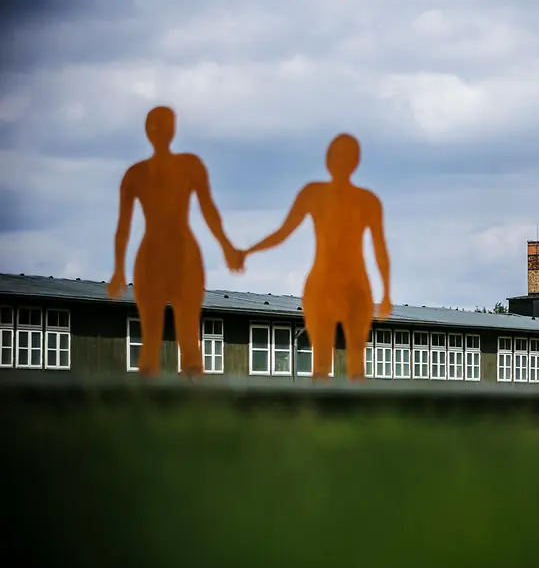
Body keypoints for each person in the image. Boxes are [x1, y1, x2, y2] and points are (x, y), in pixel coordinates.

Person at [107, 105, 244, 378]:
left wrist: (227, 246)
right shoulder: (136, 175)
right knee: (151, 337)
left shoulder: (188, 165)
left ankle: (190, 397)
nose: (162, 132)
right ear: (149, 132)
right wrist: (119, 269)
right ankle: (152, 398)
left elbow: (208, 210)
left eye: (166, 126)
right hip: (155, 256)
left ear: (173, 130)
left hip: (182, 256)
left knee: (188, 334)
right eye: (158, 126)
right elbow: (123, 226)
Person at [242, 133, 391, 380]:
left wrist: (246, 252)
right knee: (335, 361)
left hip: (344, 286)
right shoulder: (342, 197)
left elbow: (283, 232)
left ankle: (333, 410)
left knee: (345, 361)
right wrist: (248, 251)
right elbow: (283, 232)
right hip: (332, 285)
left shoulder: (353, 199)